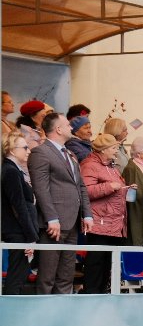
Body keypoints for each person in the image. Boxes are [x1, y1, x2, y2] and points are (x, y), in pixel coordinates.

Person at [29, 112, 93, 294]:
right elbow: (41, 189)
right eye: (67, 125)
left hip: (72, 223)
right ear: (58, 129)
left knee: (66, 275)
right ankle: (44, 316)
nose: (71, 128)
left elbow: (80, 185)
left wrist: (87, 213)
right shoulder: (40, 152)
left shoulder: (70, 153)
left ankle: (61, 316)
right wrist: (51, 218)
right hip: (53, 224)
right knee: (47, 276)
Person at [80, 133, 133, 294]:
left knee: (106, 268)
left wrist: (126, 189)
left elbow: (116, 188)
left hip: (114, 224)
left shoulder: (111, 167)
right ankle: (91, 300)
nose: (116, 151)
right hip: (100, 224)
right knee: (95, 267)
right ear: (103, 149)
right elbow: (86, 191)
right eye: (114, 148)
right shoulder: (89, 165)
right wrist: (109, 187)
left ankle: (101, 299)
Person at [1, 131, 37, 294]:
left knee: (18, 274)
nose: (28, 151)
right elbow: (19, 205)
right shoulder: (10, 171)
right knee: (17, 275)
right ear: (12, 150)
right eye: (24, 147)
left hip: (17, 230)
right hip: (17, 231)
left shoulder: (11, 169)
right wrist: (30, 237)